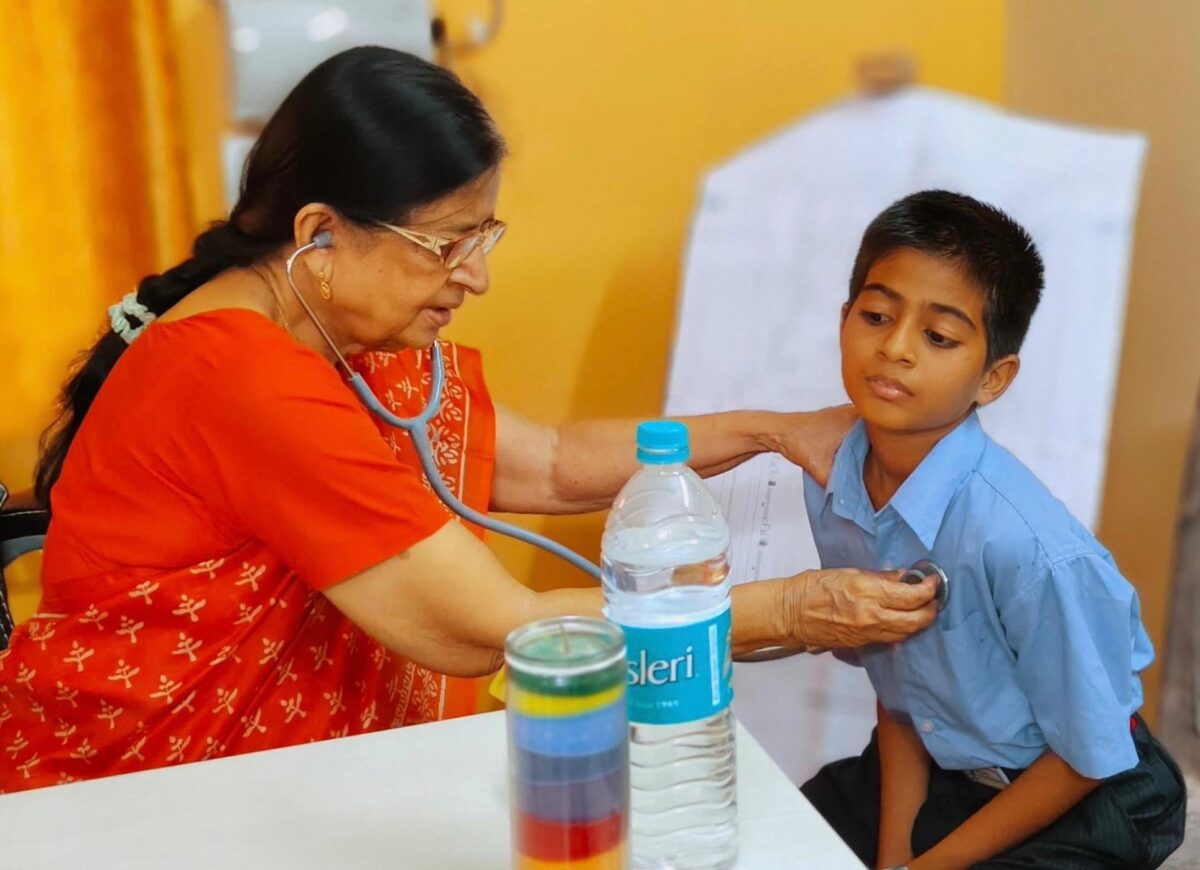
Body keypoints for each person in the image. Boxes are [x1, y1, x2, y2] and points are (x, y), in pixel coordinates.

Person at [0, 47, 937, 794]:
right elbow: (493, 626)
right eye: (445, 244)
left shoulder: (334, 327)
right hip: (143, 786)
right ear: (321, 234)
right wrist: (798, 610)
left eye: (482, 237)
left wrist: (776, 429)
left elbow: (554, 464)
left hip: (269, 768)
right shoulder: (241, 376)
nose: (475, 277)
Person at [799, 190, 1186, 868]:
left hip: (1083, 787)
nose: (894, 348)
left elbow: (1086, 755)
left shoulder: (1026, 546)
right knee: (783, 836)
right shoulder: (836, 486)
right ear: (844, 318)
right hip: (946, 764)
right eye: (877, 315)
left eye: (938, 337)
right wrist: (896, 855)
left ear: (994, 378)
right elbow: (901, 697)